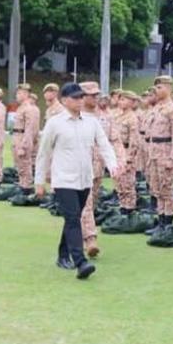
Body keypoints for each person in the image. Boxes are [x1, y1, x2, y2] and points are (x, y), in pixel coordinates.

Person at [34, 82, 117, 280]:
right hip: (64, 180)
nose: (80, 101)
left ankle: (63, 254)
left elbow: (104, 145)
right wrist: (39, 181)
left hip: (84, 179)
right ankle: (80, 262)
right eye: (76, 97)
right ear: (64, 100)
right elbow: (43, 153)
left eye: (82, 97)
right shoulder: (55, 123)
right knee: (73, 219)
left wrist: (112, 164)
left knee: (73, 218)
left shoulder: (91, 122)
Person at [142, 76, 173, 234]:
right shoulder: (156, 108)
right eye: (156, 88)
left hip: (165, 152)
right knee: (157, 189)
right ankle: (160, 221)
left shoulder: (172, 109)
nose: (157, 91)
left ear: (168, 88)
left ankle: (168, 223)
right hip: (154, 152)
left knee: (166, 189)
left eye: (160, 88)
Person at [77, 82, 113, 257]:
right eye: (90, 95)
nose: (94, 98)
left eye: (96, 94)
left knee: (90, 203)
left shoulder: (104, 117)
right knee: (86, 204)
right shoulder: (73, 116)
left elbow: (114, 139)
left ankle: (78, 235)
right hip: (80, 168)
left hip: (98, 168)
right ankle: (91, 239)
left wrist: (117, 162)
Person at [12, 84, 41, 197]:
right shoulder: (21, 108)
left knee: (25, 164)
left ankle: (26, 188)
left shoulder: (29, 109)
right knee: (20, 165)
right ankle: (22, 185)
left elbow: (29, 129)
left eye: (19, 93)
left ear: (25, 94)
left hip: (23, 138)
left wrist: (24, 146)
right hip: (17, 136)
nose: (17, 95)